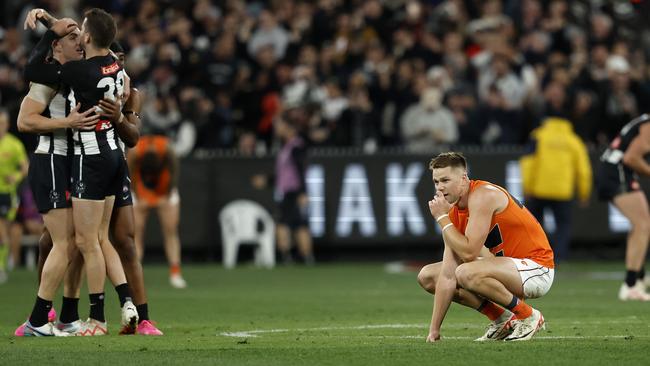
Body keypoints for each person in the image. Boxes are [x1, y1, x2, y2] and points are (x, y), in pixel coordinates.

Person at [18, 9, 162, 335]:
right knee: (80, 241)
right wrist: (50, 22)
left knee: (82, 242)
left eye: (78, 32)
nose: (76, 37)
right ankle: (95, 309)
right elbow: (25, 120)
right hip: (102, 156)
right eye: (69, 36)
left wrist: (48, 31)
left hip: (88, 157)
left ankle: (68, 318)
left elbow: (32, 69)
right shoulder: (115, 67)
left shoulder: (77, 71)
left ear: (87, 38)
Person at [418, 152, 554, 342]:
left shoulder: (483, 195)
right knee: (428, 276)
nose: (440, 187)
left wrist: (442, 219)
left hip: (537, 268)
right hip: (506, 268)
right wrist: (434, 330)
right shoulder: (455, 211)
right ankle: (502, 320)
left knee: (465, 272)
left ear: (463, 178)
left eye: (446, 180)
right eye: (436, 182)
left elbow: (470, 253)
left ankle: (528, 316)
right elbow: (447, 275)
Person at [520, 115, 592, 263]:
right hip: (562, 192)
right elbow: (584, 170)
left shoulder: (538, 135)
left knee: (534, 225)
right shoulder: (573, 140)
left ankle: (535, 255)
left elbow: (528, 163)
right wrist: (584, 193)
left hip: (539, 190)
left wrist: (527, 187)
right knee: (563, 226)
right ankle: (559, 258)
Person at [596, 113, 650, 301]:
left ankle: (640, 278)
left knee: (641, 225)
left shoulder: (643, 121)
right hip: (617, 170)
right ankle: (631, 285)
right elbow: (631, 158)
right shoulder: (648, 125)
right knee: (643, 224)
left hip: (616, 170)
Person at [128, 134, 187, 288]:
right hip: (140, 188)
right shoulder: (134, 153)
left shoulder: (167, 149)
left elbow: (175, 171)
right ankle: (136, 274)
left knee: (171, 231)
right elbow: (129, 176)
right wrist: (139, 197)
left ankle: (175, 273)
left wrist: (167, 196)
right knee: (136, 232)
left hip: (164, 187)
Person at [0, 110, 29, 283]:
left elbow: (25, 167)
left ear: (7, 125)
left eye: (2, 123)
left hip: (6, 194)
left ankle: (2, 266)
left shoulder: (14, 144)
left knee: (2, 231)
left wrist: (16, 177)